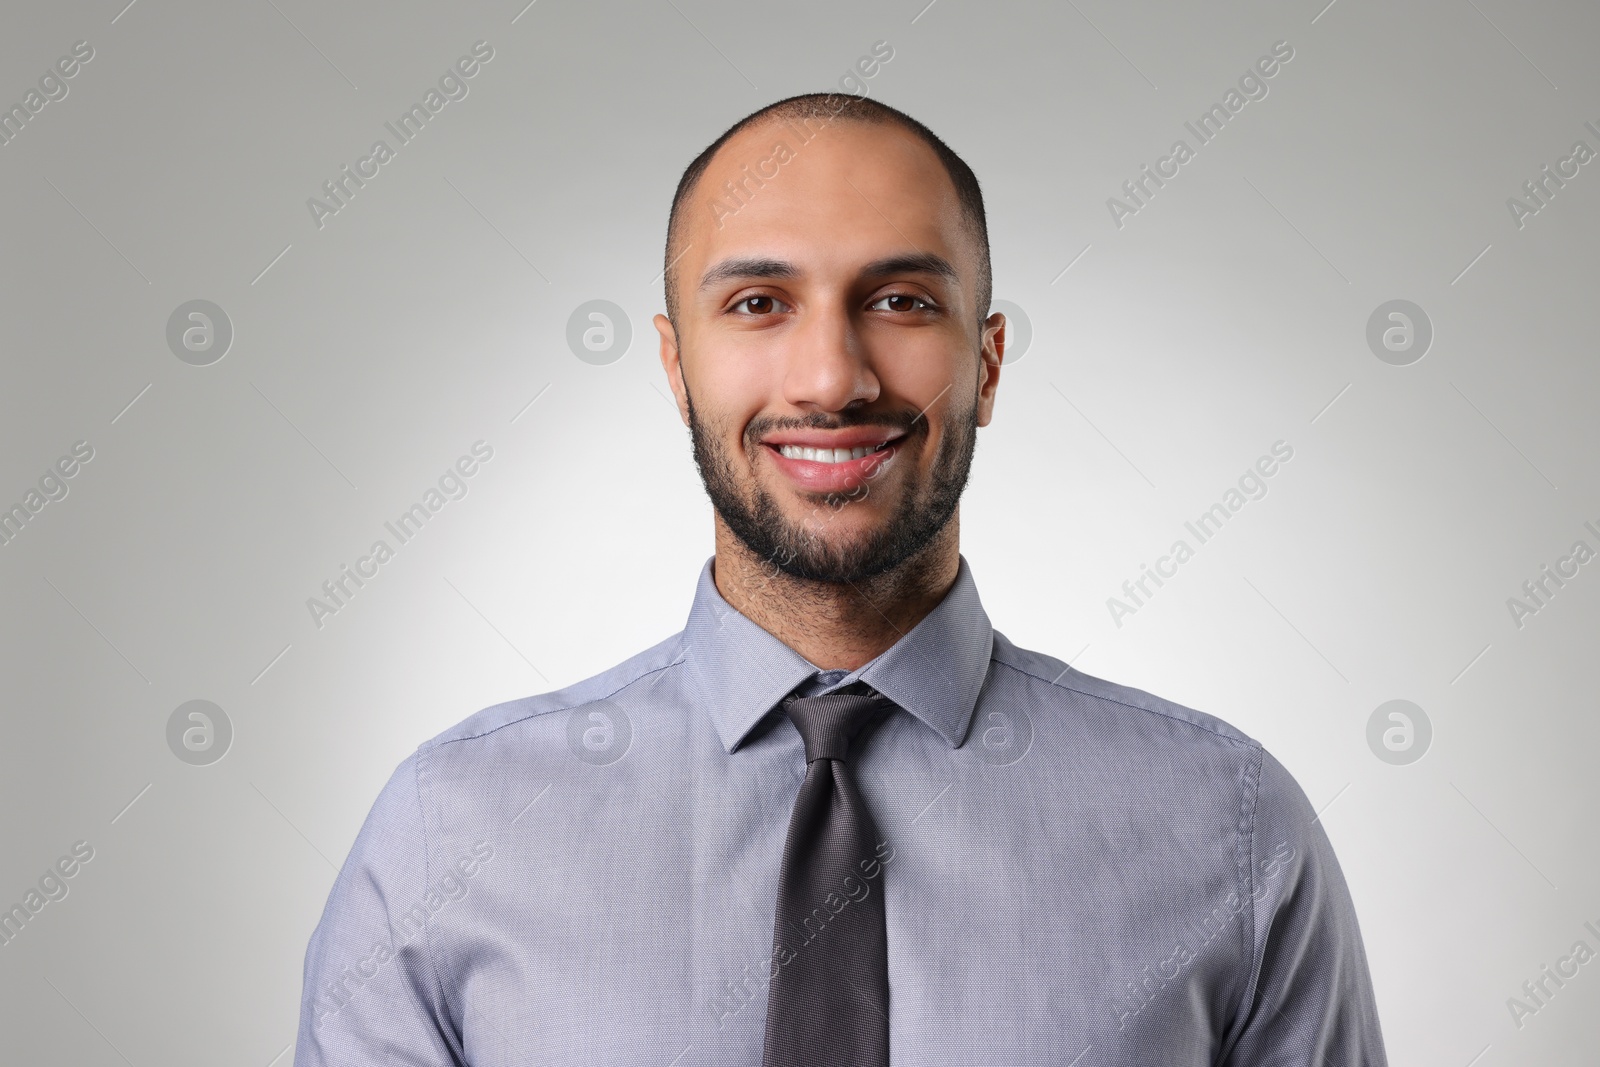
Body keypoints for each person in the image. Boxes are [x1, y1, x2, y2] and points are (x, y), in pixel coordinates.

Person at [294, 91, 1389, 1066]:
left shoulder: (1227, 826)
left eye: (903, 300)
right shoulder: (453, 831)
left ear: (987, 362)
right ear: (678, 368)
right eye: (759, 304)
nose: (831, 377)